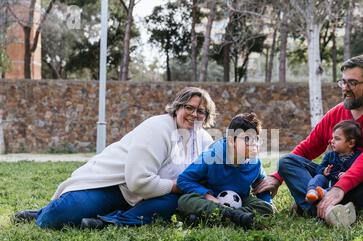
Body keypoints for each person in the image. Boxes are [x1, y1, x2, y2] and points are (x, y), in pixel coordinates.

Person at [13, 87, 216, 229]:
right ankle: (41, 212)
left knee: (172, 204)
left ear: (207, 117)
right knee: (54, 219)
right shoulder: (159, 128)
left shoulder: (204, 140)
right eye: (189, 107)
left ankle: (108, 221)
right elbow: (138, 182)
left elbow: (211, 174)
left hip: (151, 195)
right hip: (116, 185)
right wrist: (178, 186)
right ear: (177, 108)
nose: (194, 114)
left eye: (201, 111)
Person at [254, 55, 363, 227]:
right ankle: (330, 212)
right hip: (333, 181)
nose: (345, 88)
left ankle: (315, 206)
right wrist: (277, 177)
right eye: (342, 82)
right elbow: (308, 148)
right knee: (287, 162)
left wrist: (340, 188)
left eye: (352, 83)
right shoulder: (335, 113)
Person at [177, 113, 274, 229]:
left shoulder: (255, 164)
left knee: (266, 208)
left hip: (240, 201)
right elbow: (183, 179)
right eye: (247, 139)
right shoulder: (210, 157)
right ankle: (236, 217)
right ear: (231, 141)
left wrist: (267, 203)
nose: (254, 143)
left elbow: (261, 187)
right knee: (185, 201)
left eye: (256, 139)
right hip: (212, 201)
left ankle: (215, 219)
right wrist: (207, 195)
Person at [306, 120, 362, 204]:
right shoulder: (330, 155)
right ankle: (311, 191)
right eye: (332, 138)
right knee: (318, 177)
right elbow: (318, 168)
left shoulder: (358, 157)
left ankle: (323, 194)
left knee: (345, 189)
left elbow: (360, 173)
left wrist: (348, 176)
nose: (332, 141)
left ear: (351, 143)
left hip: (341, 189)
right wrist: (324, 171)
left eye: (337, 138)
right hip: (327, 182)